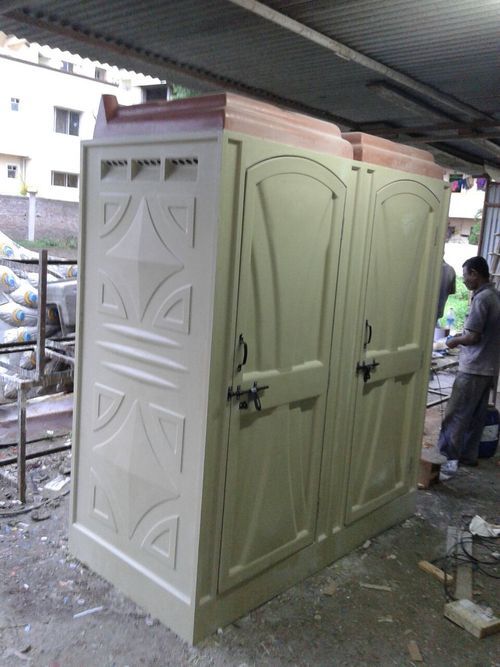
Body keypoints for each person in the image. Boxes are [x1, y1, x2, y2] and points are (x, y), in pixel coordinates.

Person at [438, 256, 500, 472]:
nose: (464, 281)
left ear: (475, 273)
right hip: (490, 367)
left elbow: (473, 337)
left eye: (466, 276)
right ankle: (468, 455)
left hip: (474, 367)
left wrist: (454, 340)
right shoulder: (496, 295)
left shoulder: (482, 299)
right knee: (476, 416)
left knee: (456, 414)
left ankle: (445, 459)